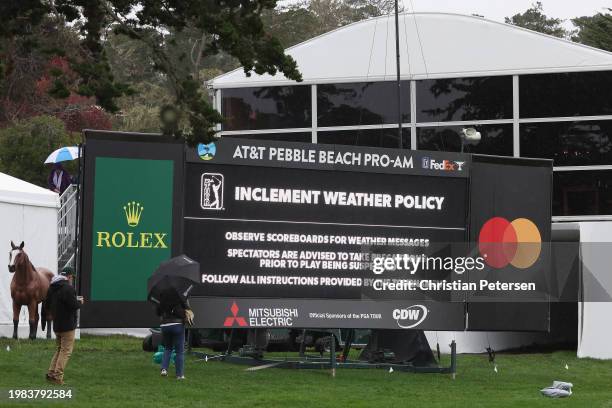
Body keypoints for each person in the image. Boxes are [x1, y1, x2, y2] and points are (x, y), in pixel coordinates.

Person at [45, 267, 84, 385]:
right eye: (72, 277)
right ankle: (57, 376)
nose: (72, 280)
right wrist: (80, 302)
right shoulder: (68, 288)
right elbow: (73, 305)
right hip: (68, 325)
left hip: (57, 324)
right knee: (66, 351)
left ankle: (51, 373)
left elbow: (47, 304)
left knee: (59, 349)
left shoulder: (52, 287)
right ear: (69, 276)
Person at [156, 289, 190, 380]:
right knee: (179, 351)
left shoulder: (162, 298)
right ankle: (179, 375)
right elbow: (186, 310)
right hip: (177, 326)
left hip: (165, 326)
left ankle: (164, 369)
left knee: (168, 348)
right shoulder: (179, 297)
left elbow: (158, 312)